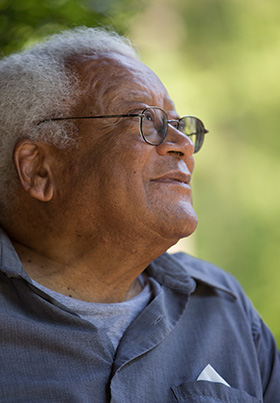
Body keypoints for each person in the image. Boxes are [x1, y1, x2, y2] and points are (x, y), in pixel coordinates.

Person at [0, 27, 279, 403]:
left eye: (179, 126)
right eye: (144, 120)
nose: (183, 146)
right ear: (39, 169)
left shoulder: (224, 306)